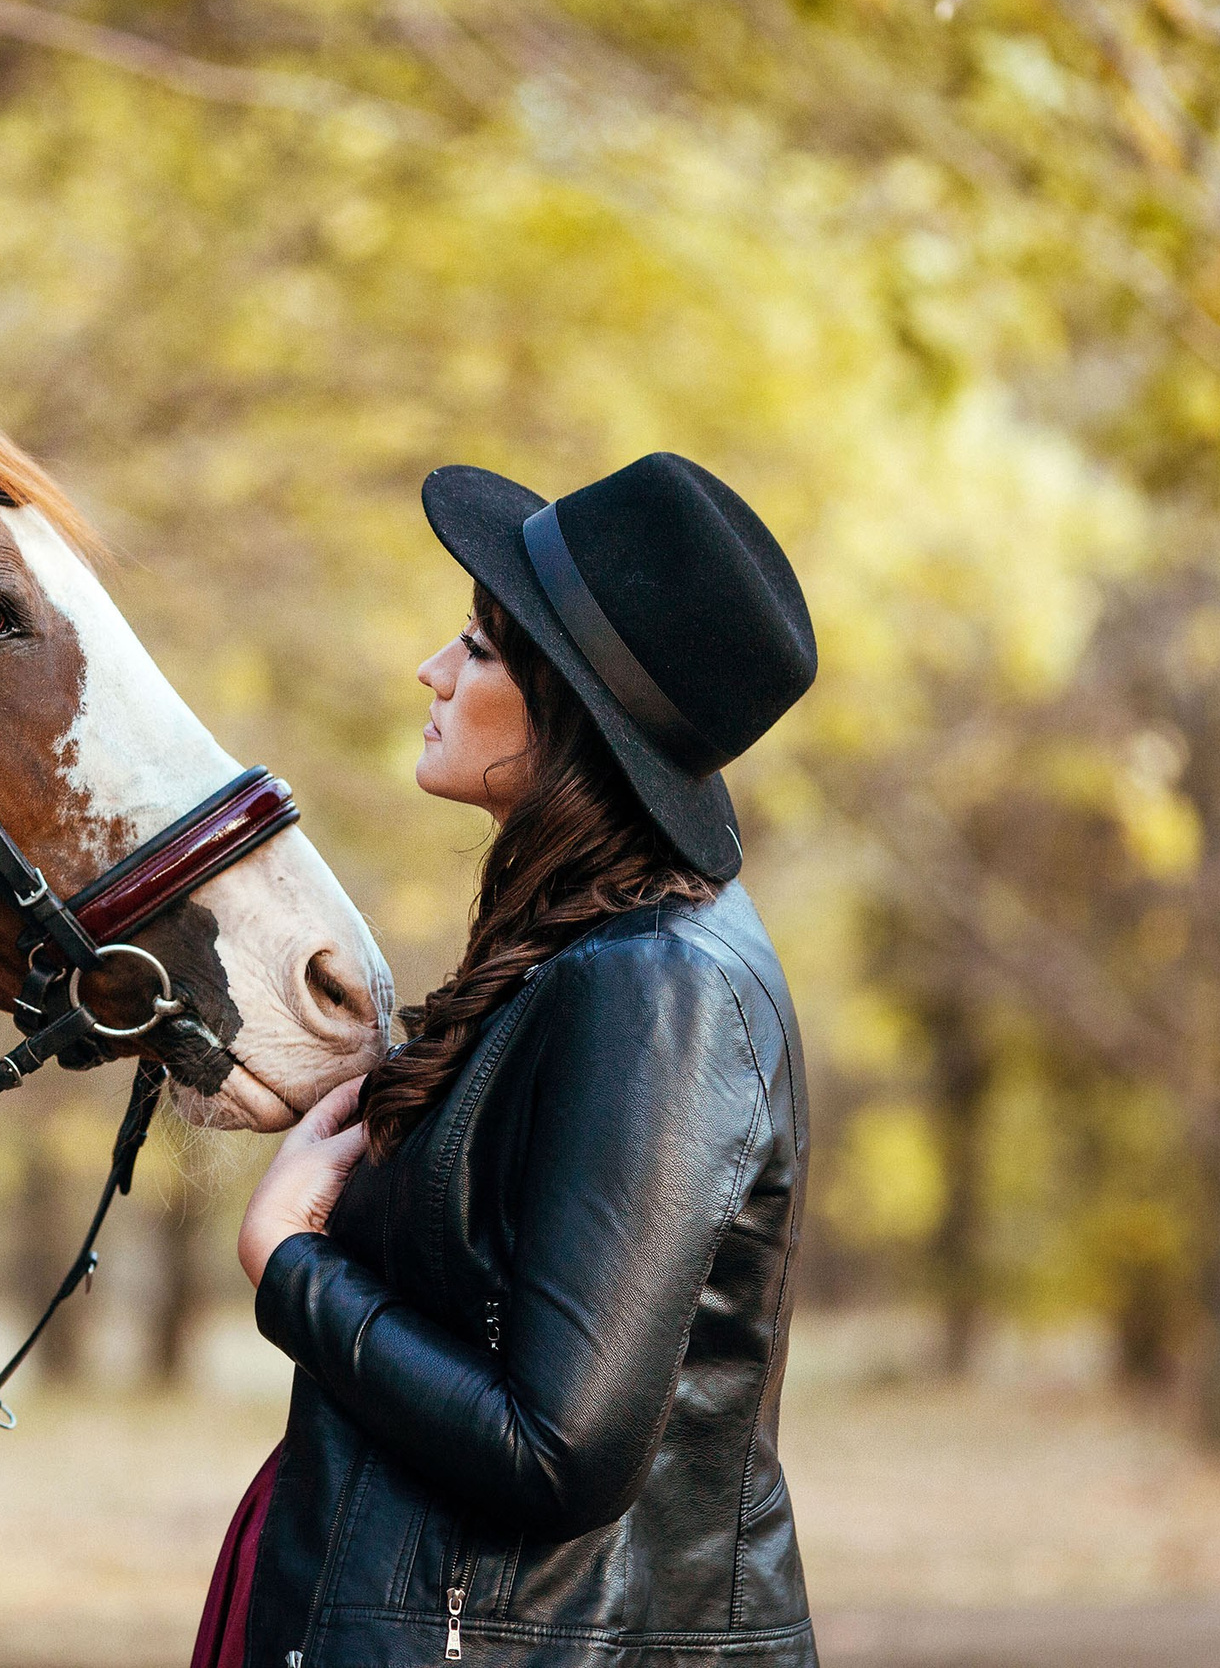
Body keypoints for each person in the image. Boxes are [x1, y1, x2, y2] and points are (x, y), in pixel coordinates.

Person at [191, 455, 820, 1668]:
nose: (430, 671)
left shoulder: (659, 990)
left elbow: (558, 1450)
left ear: (570, 709)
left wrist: (290, 1267)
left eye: (476, 649)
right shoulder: (580, 956)